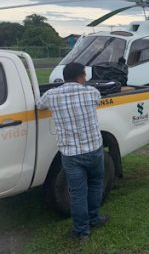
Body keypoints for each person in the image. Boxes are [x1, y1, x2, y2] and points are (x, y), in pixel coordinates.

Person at [38, 63, 109, 241]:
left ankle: (81, 231)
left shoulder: (52, 95)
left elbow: (39, 105)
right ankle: (94, 218)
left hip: (71, 154)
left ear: (64, 77)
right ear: (80, 76)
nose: (85, 79)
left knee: (77, 192)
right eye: (84, 76)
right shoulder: (92, 92)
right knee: (95, 185)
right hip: (94, 149)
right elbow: (97, 100)